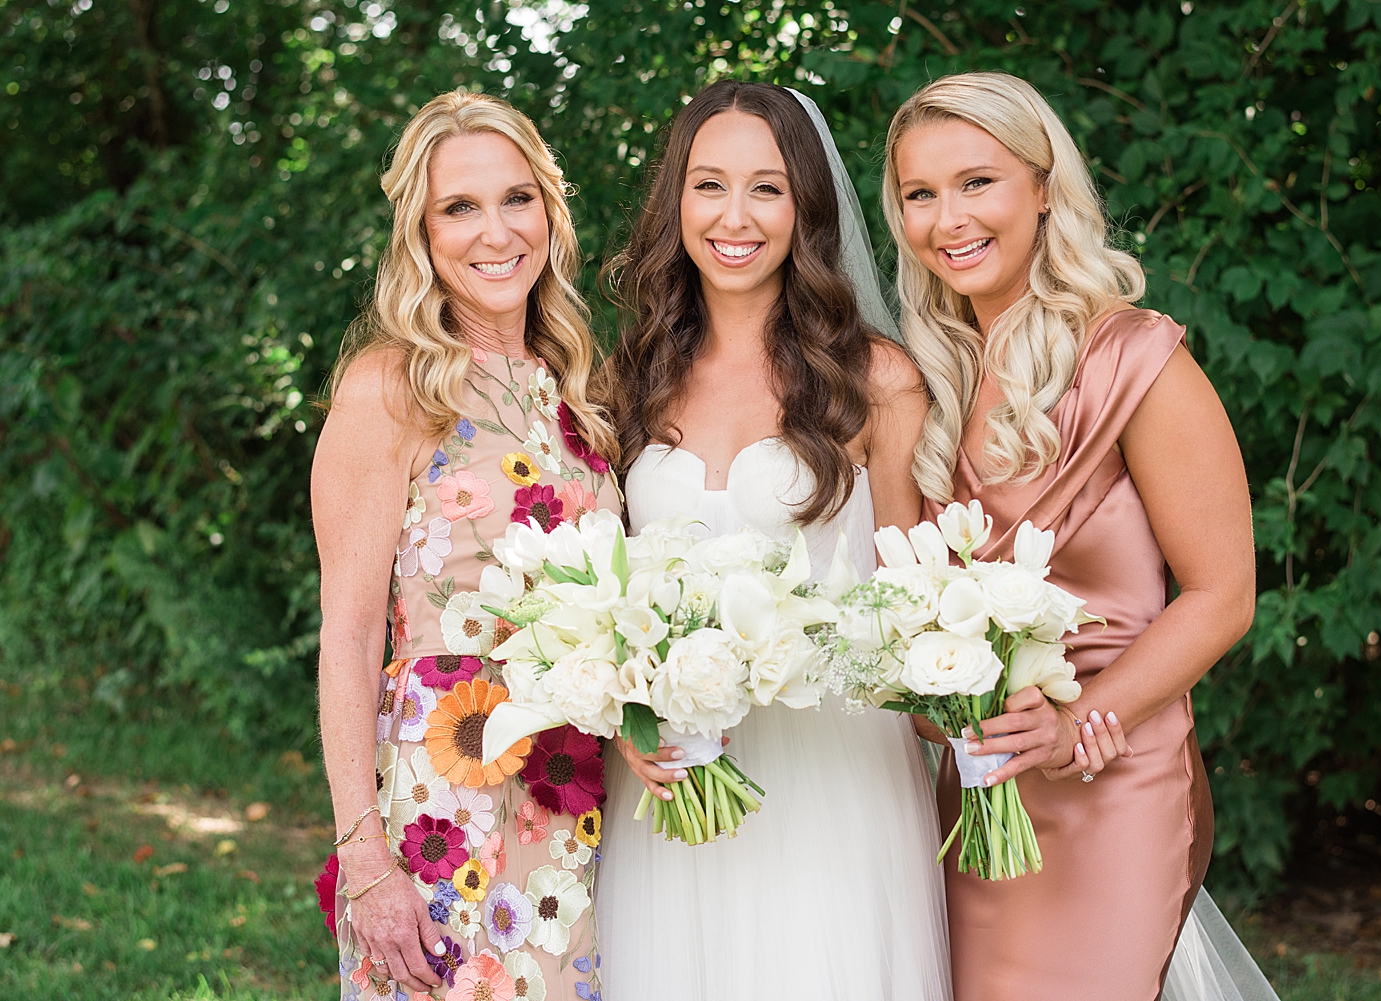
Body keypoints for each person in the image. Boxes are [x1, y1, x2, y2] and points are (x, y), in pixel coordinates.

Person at [882, 72, 1278, 1001]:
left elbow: (1224, 595)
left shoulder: (1137, 359)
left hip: (1117, 775)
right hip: (976, 794)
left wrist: (1077, 724)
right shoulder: (924, 386)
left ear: (1043, 187)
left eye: (978, 182)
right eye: (920, 194)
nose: (949, 218)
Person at [595, 81, 952, 1001]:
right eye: (709, 185)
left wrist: (978, 709)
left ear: (806, 206)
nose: (736, 216)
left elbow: (911, 605)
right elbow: (601, 592)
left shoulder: (877, 379)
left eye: (767, 187)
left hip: (833, 780)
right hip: (669, 786)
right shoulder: (629, 379)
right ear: (676, 201)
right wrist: (622, 716)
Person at [312, 90, 622, 1001]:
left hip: (575, 790)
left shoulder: (579, 389)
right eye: (460, 207)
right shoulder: (390, 386)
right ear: (421, 232)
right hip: (445, 796)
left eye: (517, 199)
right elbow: (351, 633)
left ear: (550, 212)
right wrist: (363, 854)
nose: (496, 231)